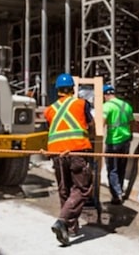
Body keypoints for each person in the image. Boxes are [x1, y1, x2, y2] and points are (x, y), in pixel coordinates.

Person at [44, 73, 95, 246]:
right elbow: (91, 124)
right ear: (73, 89)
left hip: (57, 154)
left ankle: (70, 228)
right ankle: (62, 221)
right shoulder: (81, 104)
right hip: (76, 150)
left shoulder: (49, 110)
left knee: (64, 189)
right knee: (83, 189)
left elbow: (52, 129)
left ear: (57, 90)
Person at [102, 84, 135, 205]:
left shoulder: (106, 106)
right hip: (125, 141)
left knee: (112, 169)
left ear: (105, 95)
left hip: (113, 142)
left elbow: (102, 123)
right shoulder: (126, 106)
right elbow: (132, 122)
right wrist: (130, 134)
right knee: (121, 168)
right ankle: (120, 190)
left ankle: (116, 195)